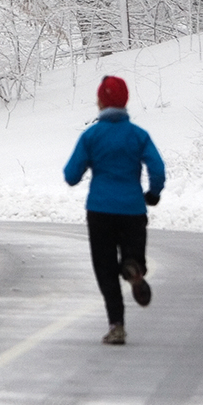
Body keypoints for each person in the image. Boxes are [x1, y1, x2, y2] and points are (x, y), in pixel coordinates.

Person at [64, 74, 165, 345]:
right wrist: (153, 194)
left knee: (105, 269)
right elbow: (157, 168)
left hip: (100, 211)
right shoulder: (138, 135)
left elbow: (71, 174)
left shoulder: (92, 136)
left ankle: (117, 325)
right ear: (125, 101)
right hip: (133, 209)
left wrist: (87, 166)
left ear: (101, 101)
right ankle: (133, 267)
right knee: (132, 255)